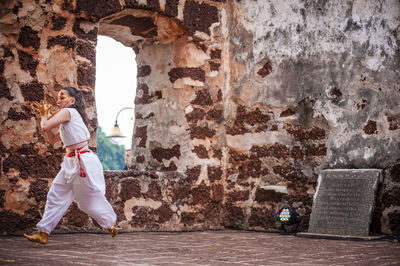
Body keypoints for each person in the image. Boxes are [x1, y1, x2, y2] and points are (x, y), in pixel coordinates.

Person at [24, 86, 117, 244]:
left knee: (87, 200)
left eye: (62, 98)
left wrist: (44, 115)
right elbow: (53, 139)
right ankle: (43, 233)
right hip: (71, 161)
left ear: (72, 101)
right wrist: (46, 117)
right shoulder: (68, 118)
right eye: (58, 98)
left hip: (83, 162)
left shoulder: (69, 112)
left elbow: (45, 126)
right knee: (56, 194)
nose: (58, 101)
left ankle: (110, 223)